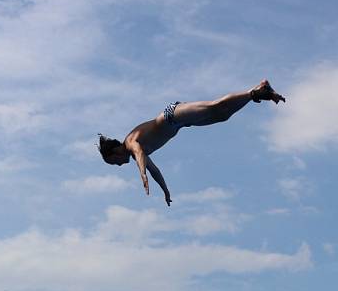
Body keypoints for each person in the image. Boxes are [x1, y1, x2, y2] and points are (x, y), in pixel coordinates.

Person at [98, 79, 286, 206]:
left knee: (215, 107)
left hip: (171, 115)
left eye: (114, 162)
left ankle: (256, 90)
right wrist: (165, 190)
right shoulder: (132, 151)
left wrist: (142, 175)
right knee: (223, 116)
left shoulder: (130, 141)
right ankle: (258, 94)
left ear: (115, 152)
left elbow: (139, 155)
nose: (119, 165)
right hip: (181, 124)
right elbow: (154, 170)